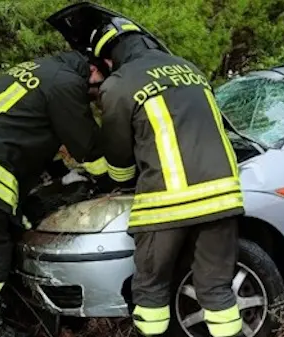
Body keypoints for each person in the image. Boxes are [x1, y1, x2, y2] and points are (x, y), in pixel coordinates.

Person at [86, 18, 245, 337]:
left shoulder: (119, 83)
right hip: (224, 196)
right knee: (216, 290)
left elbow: (119, 156)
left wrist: (115, 180)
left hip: (167, 203)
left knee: (150, 292)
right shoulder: (190, 69)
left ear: (107, 58)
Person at [0, 50, 106, 337]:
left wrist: (62, 173)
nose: (96, 98)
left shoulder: (40, 70)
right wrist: (109, 178)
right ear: (94, 70)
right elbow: (86, 144)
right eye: (100, 87)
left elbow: (30, 128)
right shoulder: (68, 83)